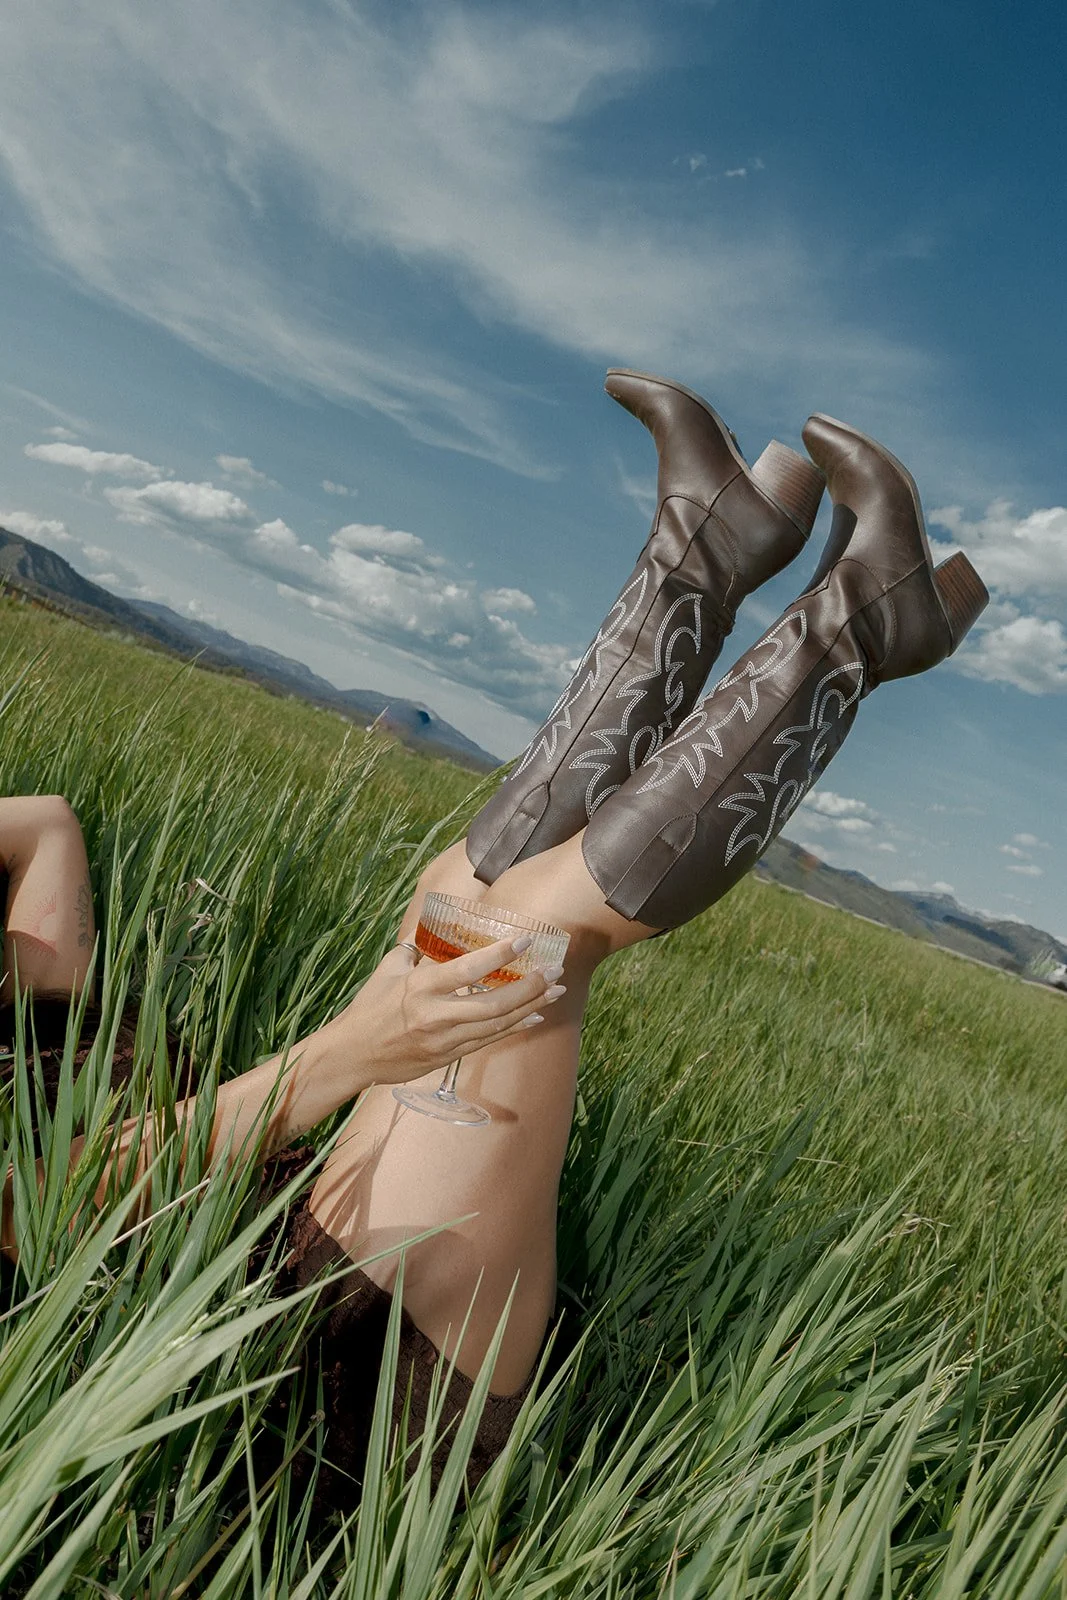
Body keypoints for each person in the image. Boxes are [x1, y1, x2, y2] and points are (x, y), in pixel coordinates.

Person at [0, 370, 989, 1504]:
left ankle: (711, 544)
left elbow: (45, 836)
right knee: (521, 935)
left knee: (456, 891)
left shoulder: (37, 1002)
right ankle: (862, 619)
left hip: (252, 1196)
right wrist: (347, 1054)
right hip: (268, 1376)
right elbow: (40, 1212)